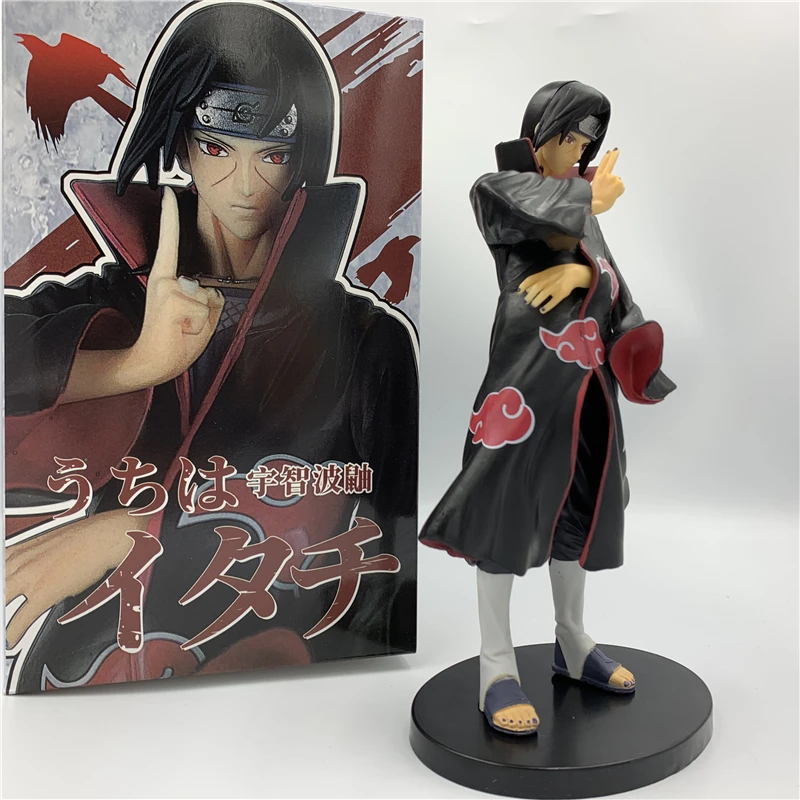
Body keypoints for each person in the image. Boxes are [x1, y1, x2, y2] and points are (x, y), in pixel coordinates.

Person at [5, 0, 419, 693]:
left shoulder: (368, 343)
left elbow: (395, 571)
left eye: (274, 154)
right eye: (219, 148)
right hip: (88, 669)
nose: (247, 185)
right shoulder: (117, 297)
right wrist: (134, 363)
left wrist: (138, 535)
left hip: (285, 664)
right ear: (183, 146)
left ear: (303, 159)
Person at [419, 81, 674, 735]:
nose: (580, 152)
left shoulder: (579, 204)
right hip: (524, 390)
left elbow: (616, 288)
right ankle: (496, 667)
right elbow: (526, 209)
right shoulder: (500, 189)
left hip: (587, 390)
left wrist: (584, 274)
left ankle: (572, 640)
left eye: (588, 141)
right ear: (540, 138)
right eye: (570, 138)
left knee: (580, 512)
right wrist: (588, 200)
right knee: (503, 516)